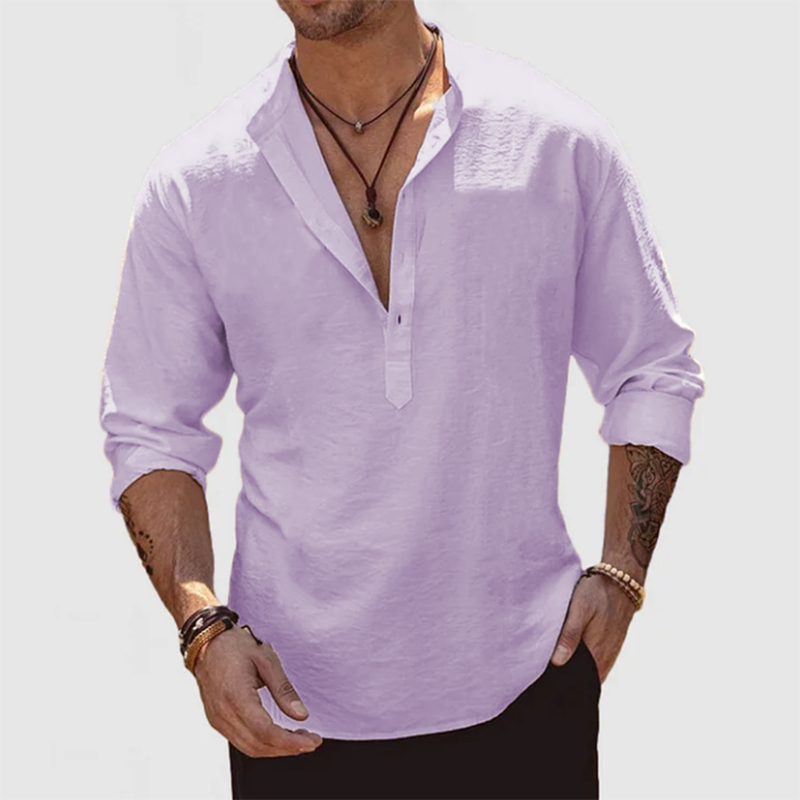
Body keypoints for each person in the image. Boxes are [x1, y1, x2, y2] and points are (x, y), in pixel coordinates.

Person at [99, 1, 705, 798]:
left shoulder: (555, 144)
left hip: (528, 688)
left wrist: (623, 572)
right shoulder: (196, 182)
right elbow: (150, 429)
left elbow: (651, 367)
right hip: (289, 712)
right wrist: (201, 626)